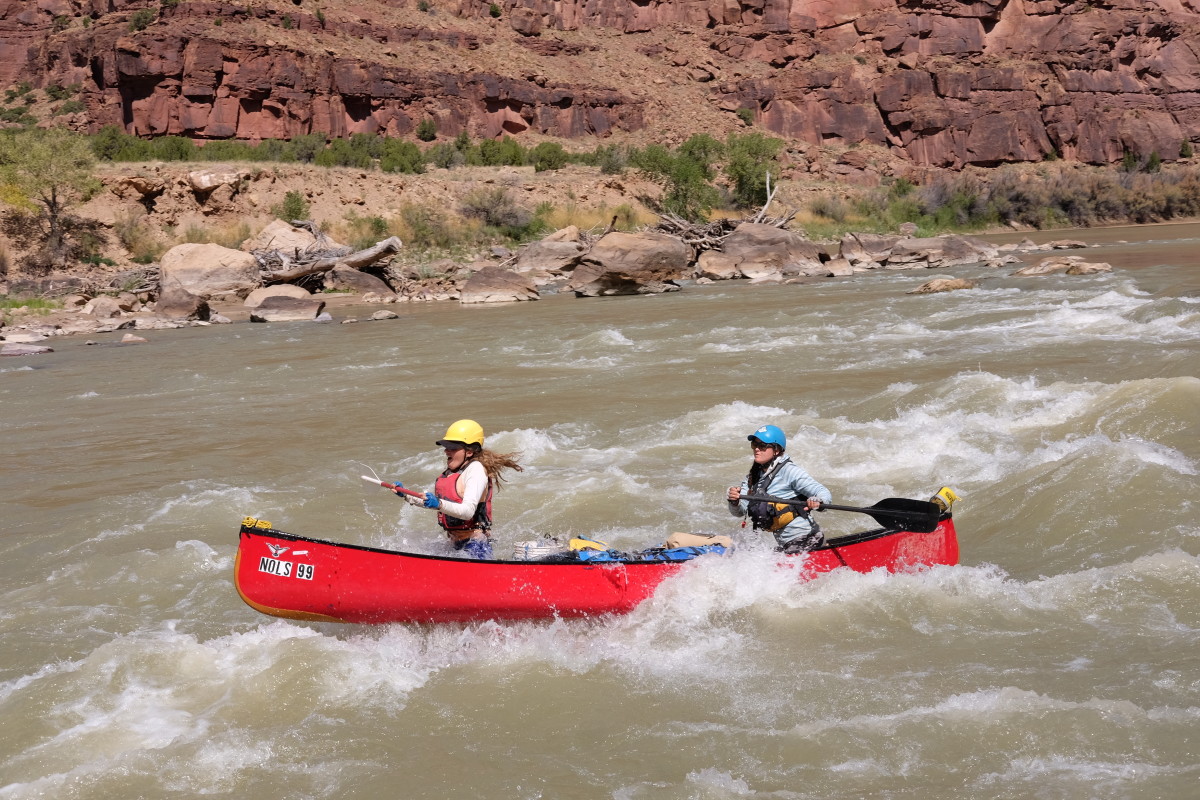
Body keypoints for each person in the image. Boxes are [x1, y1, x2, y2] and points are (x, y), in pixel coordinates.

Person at [395, 419, 523, 559]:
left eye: (452, 447)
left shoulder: (476, 470)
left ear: (469, 451)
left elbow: (467, 512)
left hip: (475, 546)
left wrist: (439, 503)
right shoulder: (452, 472)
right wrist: (407, 495)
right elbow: (440, 504)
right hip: (453, 544)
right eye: (446, 446)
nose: (446, 451)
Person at [727, 424, 832, 552]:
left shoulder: (790, 471)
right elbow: (739, 512)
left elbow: (823, 492)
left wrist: (818, 501)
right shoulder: (753, 477)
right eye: (755, 445)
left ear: (776, 450)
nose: (757, 449)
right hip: (787, 544)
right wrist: (734, 501)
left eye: (763, 445)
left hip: (808, 540)